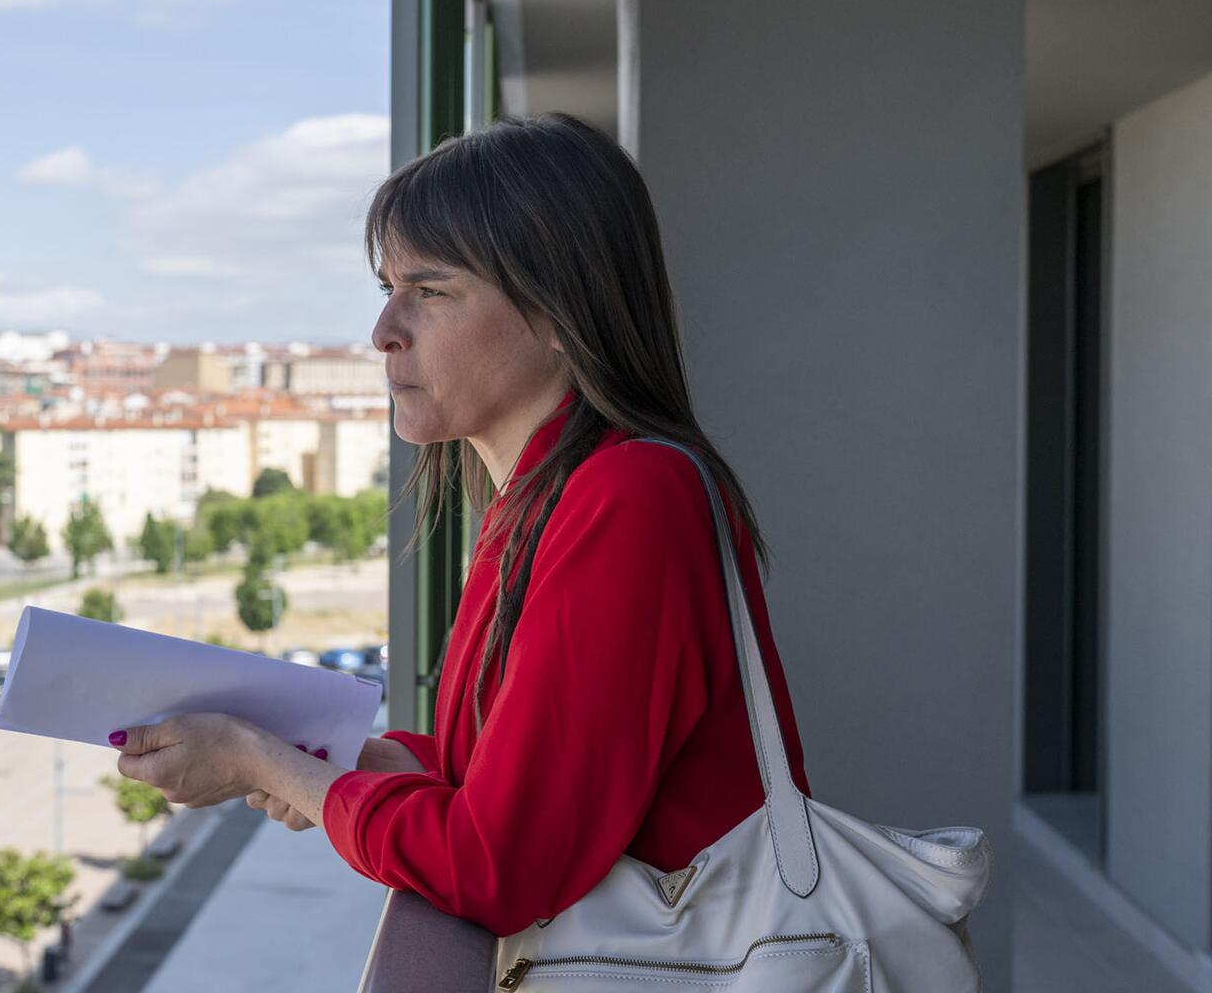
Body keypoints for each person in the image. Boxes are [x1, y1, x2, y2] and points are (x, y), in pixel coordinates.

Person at [111, 113, 809, 937]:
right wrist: (308, 752)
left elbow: (494, 864)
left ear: (560, 312)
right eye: (387, 289)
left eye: (431, 291)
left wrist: (256, 759)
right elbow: (489, 774)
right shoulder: (537, 500)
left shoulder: (631, 497)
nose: (383, 333)